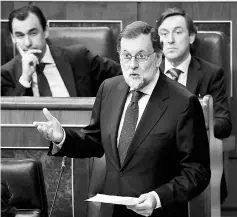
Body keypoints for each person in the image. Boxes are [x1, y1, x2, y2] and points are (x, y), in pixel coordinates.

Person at [33, 21, 210, 217]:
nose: (132, 64)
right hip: (111, 210)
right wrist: (62, 137)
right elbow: (94, 141)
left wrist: (157, 198)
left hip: (157, 212)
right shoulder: (109, 88)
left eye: (141, 56)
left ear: (158, 57)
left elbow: (197, 172)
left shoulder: (183, 103)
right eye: (126, 56)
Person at [157, 7, 232, 203]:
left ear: (191, 37)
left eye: (178, 32)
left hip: (198, 169)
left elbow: (223, 123)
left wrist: (195, 121)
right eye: (164, 34)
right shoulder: (148, 73)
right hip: (153, 171)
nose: (170, 40)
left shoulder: (211, 74)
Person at [1, 5, 121, 97]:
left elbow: (122, 74)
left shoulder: (79, 58)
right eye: (20, 35)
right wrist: (25, 78)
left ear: (46, 31)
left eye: (33, 33)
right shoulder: (7, 74)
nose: (27, 43)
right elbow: (8, 117)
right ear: (13, 38)